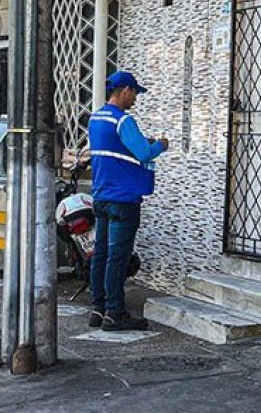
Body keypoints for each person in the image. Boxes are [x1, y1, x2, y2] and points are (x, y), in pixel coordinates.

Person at [87, 71, 167, 331]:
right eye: (134, 94)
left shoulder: (96, 118)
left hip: (101, 196)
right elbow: (143, 151)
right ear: (125, 91)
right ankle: (115, 313)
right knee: (117, 258)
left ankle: (97, 309)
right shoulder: (123, 121)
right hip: (123, 198)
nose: (135, 99)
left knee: (100, 254)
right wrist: (160, 145)